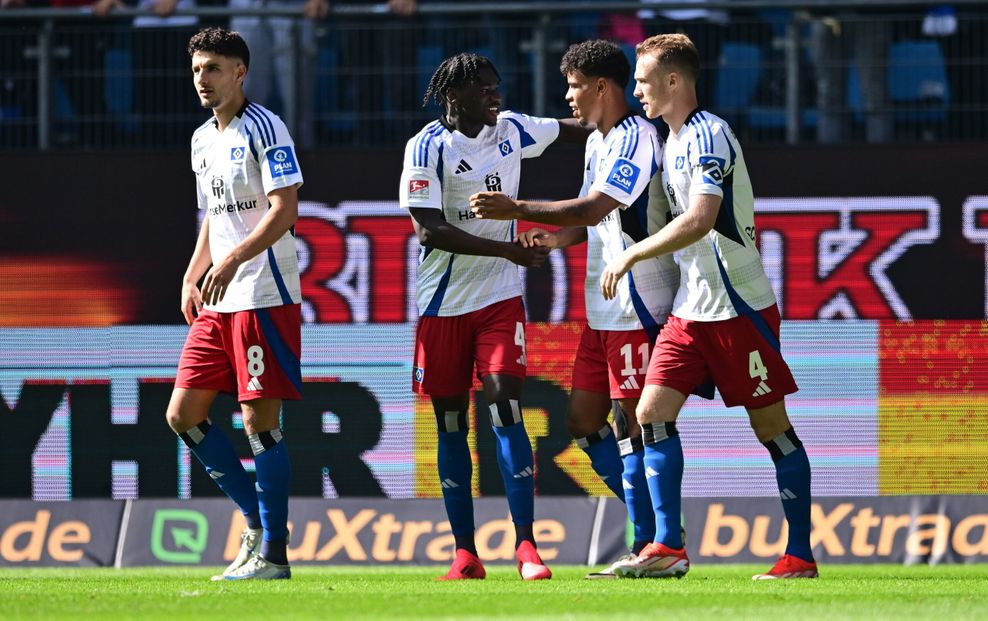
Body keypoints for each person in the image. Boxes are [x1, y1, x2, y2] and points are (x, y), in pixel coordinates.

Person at [597, 33, 817, 580]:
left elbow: (700, 217)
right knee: (649, 414)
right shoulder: (669, 142)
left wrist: (632, 256)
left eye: (644, 82)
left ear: (674, 81)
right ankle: (668, 547)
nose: (638, 92)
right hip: (690, 311)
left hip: (739, 308)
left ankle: (800, 555)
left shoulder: (710, 135)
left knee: (773, 429)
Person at [469, 39, 685, 579]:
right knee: (584, 421)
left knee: (635, 425)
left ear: (601, 87)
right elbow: (586, 220)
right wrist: (550, 240)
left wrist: (516, 206)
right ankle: (649, 538)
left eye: (573, 85)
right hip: (601, 307)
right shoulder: (597, 143)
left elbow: (598, 206)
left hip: (637, 304)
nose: (567, 96)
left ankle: (658, 544)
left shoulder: (638, 137)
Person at [399, 52, 588, 581]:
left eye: (496, 86)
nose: (495, 95)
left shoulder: (513, 131)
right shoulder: (426, 147)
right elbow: (429, 231)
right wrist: (507, 250)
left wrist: (623, 125)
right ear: (454, 96)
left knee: (506, 406)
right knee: (452, 423)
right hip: (442, 305)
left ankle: (526, 546)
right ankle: (465, 553)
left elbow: (580, 127)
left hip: (500, 301)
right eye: (484, 88)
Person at [166, 27, 303, 581]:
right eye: (198, 69)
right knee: (183, 415)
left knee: (259, 423)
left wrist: (231, 262)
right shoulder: (201, 139)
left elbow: (284, 208)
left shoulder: (265, 128)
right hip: (218, 298)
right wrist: (193, 271)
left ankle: (274, 555)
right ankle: (257, 524)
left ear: (240, 72)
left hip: (262, 294)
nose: (203, 78)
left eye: (214, 68)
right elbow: (212, 218)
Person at [229, 0, 328, 148]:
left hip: (295, 8)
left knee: (297, 98)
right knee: (244, 94)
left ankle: (301, 163)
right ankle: (242, 162)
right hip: (246, 8)